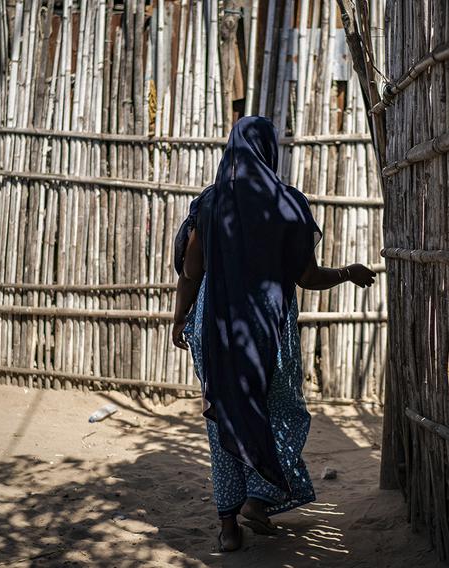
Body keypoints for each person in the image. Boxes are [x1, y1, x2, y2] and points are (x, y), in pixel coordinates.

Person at [171, 116, 376, 552]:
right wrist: (346, 272)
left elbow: (191, 271)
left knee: (222, 414)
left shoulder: (209, 205)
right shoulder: (289, 205)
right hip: (270, 329)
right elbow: (306, 276)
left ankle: (229, 526)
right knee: (280, 410)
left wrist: (178, 318)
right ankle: (259, 497)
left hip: (215, 326)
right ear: (268, 151)